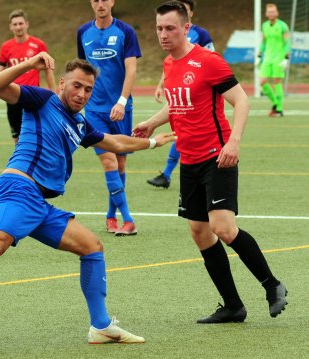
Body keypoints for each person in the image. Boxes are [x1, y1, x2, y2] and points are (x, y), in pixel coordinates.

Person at [0, 52, 175, 344]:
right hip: (18, 188)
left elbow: (115, 141)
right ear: (63, 84)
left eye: (88, 89)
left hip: (39, 204)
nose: (82, 94)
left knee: (91, 247)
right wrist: (29, 65)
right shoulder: (43, 100)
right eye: (77, 86)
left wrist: (154, 141)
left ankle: (101, 326)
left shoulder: (80, 125)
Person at [134, 1, 288, 324]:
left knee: (222, 227)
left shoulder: (208, 62)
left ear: (186, 28)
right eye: (159, 28)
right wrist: (151, 123)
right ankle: (233, 306)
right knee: (200, 233)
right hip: (188, 161)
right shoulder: (168, 64)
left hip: (217, 157)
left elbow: (241, 100)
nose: (163, 34)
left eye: (170, 28)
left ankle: (272, 285)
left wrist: (233, 142)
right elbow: (176, 105)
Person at [77, 0, 142, 236]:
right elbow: (83, 71)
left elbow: (132, 70)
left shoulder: (125, 31)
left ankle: (109, 215)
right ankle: (128, 219)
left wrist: (122, 102)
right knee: (108, 161)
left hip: (121, 108)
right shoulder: (83, 32)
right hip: (94, 110)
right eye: (96, 0)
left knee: (120, 163)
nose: (100, 3)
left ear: (112, 2)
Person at [148, 0, 214, 189]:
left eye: (183, 9)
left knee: (185, 133)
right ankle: (168, 175)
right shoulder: (169, 37)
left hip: (196, 93)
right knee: (181, 131)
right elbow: (172, 61)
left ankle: (168, 174)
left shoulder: (201, 34)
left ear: (189, 14)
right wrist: (161, 85)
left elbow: (212, 60)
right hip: (179, 89)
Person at [0, 9, 56, 144]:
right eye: (15, 24)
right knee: (17, 138)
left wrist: (53, 94)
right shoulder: (6, 47)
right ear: (10, 27)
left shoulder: (38, 44)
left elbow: (48, 70)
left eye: (20, 23)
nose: (18, 27)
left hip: (33, 95)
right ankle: (21, 163)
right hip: (13, 96)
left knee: (37, 134)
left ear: (27, 24)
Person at [257, 3, 290, 117]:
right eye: (269, 12)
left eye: (273, 11)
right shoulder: (265, 25)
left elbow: (287, 43)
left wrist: (286, 58)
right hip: (267, 57)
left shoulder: (283, 26)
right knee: (262, 82)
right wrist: (259, 55)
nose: (271, 13)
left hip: (279, 57)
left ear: (277, 13)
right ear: (266, 13)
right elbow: (264, 42)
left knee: (277, 82)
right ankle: (276, 103)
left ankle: (279, 110)